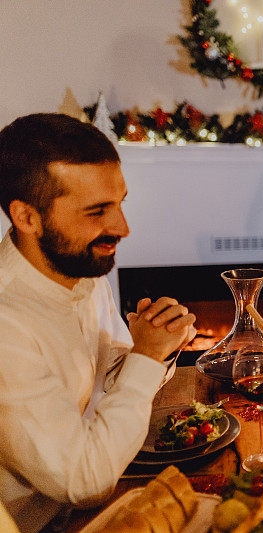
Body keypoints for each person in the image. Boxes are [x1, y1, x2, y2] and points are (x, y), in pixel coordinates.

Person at [0, 114, 197, 532]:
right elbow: (85, 480)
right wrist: (146, 356)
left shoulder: (80, 268)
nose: (122, 228)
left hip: (101, 493)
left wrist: (159, 346)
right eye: (97, 212)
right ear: (27, 217)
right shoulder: (6, 326)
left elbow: (109, 382)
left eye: (120, 202)